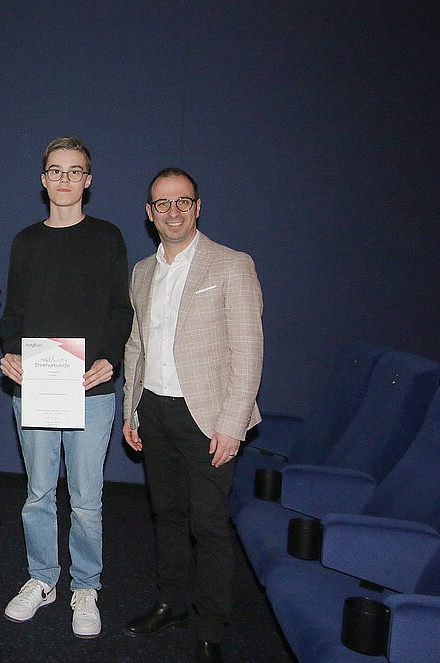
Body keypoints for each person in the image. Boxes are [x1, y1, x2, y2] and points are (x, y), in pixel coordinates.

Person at [122, 168, 263, 663]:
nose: (173, 211)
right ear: (150, 213)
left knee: (208, 525)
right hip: (155, 412)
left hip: (208, 418)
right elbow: (136, 344)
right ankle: (172, 603)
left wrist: (233, 422)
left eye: (182, 201)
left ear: (198, 207)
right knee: (167, 516)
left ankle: (211, 629)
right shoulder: (142, 271)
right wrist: (131, 408)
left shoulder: (230, 264)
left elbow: (248, 351)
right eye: (162, 204)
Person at [0, 137, 131, 638]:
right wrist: (8, 352)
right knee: (36, 494)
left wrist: (108, 360)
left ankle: (86, 587)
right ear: (43, 179)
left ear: (88, 181)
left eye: (75, 172)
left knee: (85, 499)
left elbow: (121, 311)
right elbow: (14, 312)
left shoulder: (108, 238)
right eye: (55, 171)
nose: (64, 180)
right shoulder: (26, 241)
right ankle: (41, 578)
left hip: (90, 389)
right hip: (36, 385)